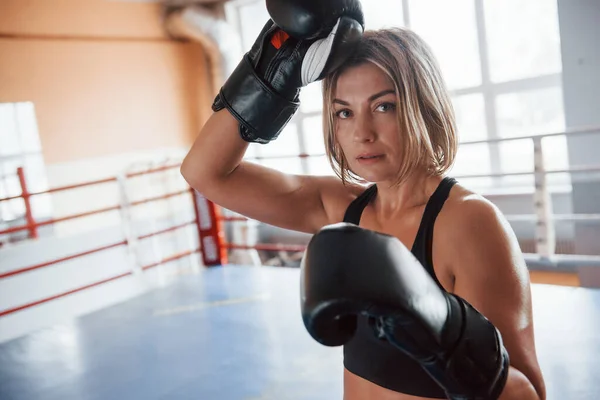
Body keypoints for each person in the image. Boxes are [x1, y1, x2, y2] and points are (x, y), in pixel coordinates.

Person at [180, 0, 546, 398]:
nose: (362, 133)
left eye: (383, 106)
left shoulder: (469, 223)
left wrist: (445, 332)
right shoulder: (339, 207)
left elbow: (530, 394)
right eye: (344, 113)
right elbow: (204, 172)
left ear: (423, 107)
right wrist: (270, 70)